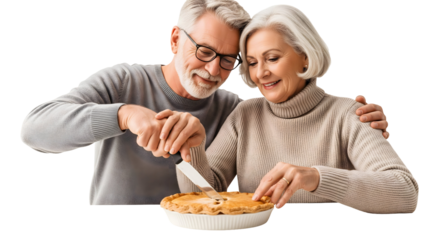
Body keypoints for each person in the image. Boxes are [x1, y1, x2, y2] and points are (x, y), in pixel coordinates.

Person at [19, 0, 389, 207]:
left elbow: (213, 189)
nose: (214, 69)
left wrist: (359, 127)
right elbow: (34, 130)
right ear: (175, 39)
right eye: (205, 51)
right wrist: (124, 114)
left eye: (229, 59)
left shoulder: (234, 107)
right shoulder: (123, 81)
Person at [173, 2, 417, 215]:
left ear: (305, 56)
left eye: (272, 58)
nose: (261, 73)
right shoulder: (246, 114)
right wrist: (193, 150)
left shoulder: (348, 114)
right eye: (252, 62)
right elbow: (206, 194)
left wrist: (317, 179)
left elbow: (405, 191)